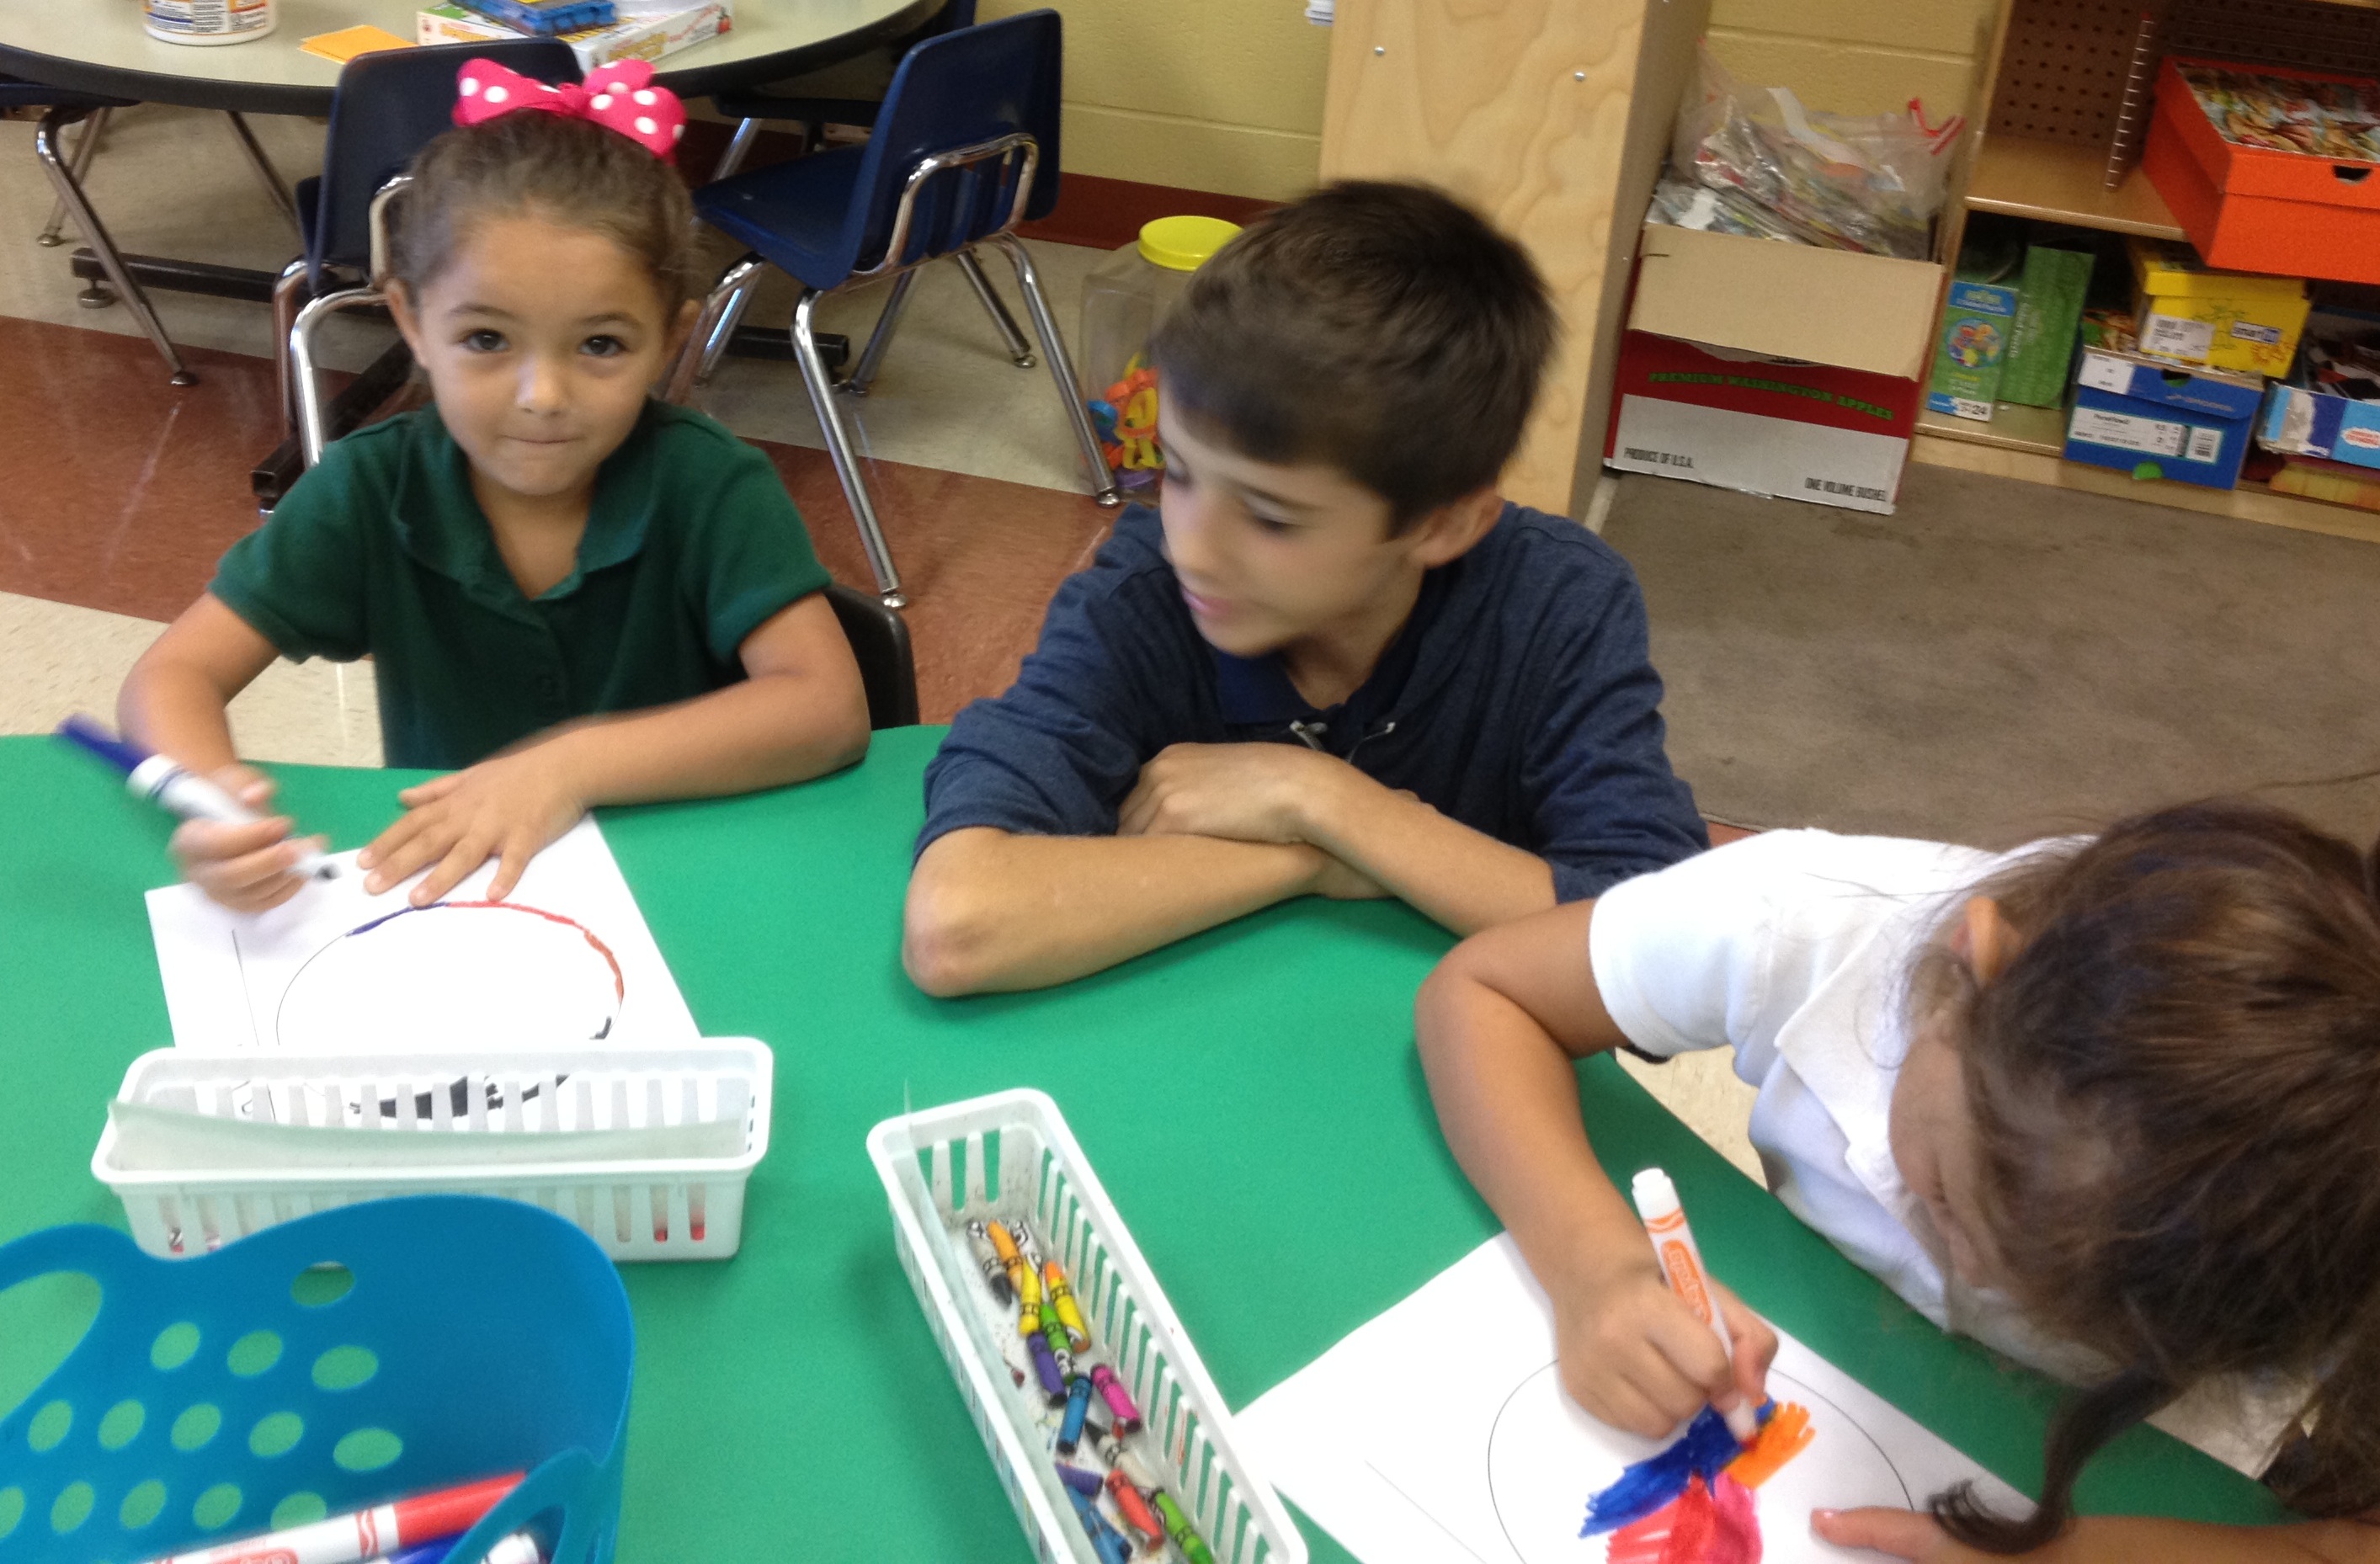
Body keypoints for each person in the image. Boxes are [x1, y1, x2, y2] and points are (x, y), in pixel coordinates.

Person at [1416, 801, 2380, 1561]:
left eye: (2081, 1312)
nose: (1978, 1277)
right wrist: (1593, 1265)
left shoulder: (2340, 1215)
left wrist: (2089, 1552)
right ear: (1967, 971)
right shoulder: (1811, 917)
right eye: (1947, 1199)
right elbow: (1484, 992)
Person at [902, 182, 1706, 996]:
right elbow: (957, 923)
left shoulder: (1559, 603)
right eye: (1177, 472)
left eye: (1270, 517)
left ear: (1442, 525)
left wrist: (1320, 796)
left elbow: (1673, 952)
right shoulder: (1143, 598)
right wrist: (1310, 861)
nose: (1191, 548)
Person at [120, 61, 868, 914]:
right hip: (459, 898)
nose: (541, 396)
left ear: (670, 340)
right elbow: (170, 675)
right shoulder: (370, 488)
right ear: (410, 320)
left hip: (684, 883)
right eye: (486, 338)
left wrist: (569, 766)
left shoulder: (709, 483)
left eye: (600, 345)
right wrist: (207, 802)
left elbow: (825, 709)